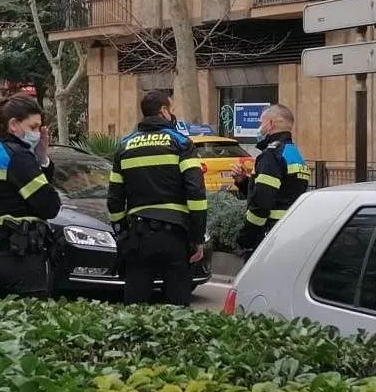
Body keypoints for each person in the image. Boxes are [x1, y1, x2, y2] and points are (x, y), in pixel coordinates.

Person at [107, 90, 208, 307]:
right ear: (163, 111)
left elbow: (114, 199)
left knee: (135, 310)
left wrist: (123, 232)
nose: (173, 115)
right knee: (176, 310)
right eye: (171, 110)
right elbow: (196, 194)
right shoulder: (181, 143)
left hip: (138, 237)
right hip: (175, 237)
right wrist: (197, 238)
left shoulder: (125, 146)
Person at [0, 95, 61, 299]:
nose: (37, 134)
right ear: (14, 125)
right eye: (33, 127)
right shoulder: (19, 156)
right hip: (21, 256)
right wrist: (41, 160)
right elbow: (49, 206)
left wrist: (41, 160)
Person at [232, 104, 309, 259]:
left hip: (268, 236)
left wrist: (245, 239)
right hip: (290, 232)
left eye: (261, 123)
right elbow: (280, 192)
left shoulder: (271, 155)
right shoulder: (295, 154)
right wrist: (243, 182)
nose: (260, 127)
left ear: (271, 124)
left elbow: (261, 203)